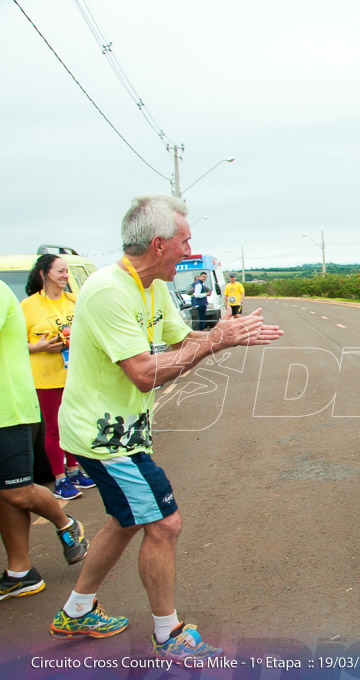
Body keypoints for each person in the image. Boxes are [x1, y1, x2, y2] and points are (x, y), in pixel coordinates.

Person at [49, 195, 283, 662]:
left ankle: (76, 611)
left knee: (126, 518)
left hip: (125, 431)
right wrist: (216, 343)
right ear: (159, 244)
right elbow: (143, 371)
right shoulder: (109, 291)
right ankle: (168, 634)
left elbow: (182, 338)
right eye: (184, 239)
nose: (189, 247)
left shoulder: (154, 286)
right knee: (164, 523)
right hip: (104, 437)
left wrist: (228, 334)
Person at [0, 280, 89, 603]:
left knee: (17, 492)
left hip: (7, 411)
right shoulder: (29, 304)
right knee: (5, 495)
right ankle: (20, 573)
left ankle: (66, 524)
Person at [21, 254, 96, 500]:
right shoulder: (28, 306)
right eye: (60, 271)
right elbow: (15, 343)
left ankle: (74, 470)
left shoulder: (75, 301)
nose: (65, 276)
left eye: (66, 271)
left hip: (74, 374)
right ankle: (60, 479)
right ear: (44, 274)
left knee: (74, 424)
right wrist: (38, 347)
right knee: (54, 429)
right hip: (46, 378)